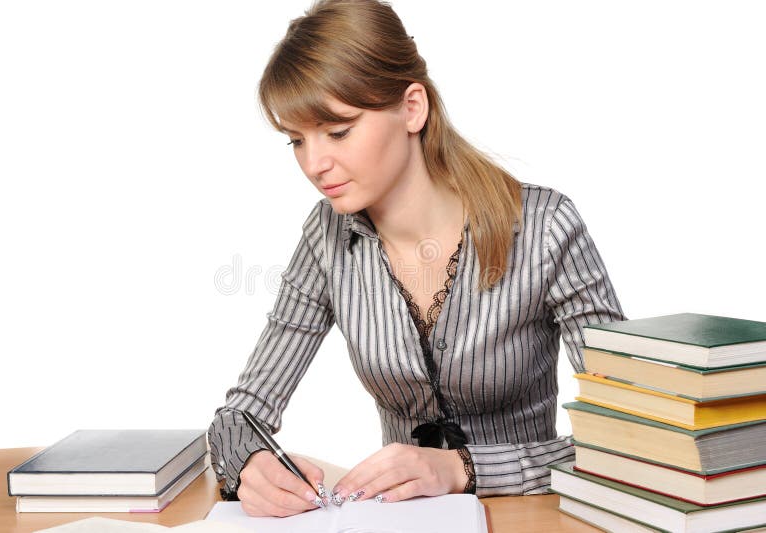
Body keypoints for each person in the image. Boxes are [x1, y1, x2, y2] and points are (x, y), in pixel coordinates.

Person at [208, 0, 625, 518]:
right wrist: (246, 462)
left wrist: (464, 470)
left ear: (412, 107)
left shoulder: (545, 227)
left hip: (537, 520)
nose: (314, 164)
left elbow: (631, 443)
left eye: (338, 131)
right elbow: (241, 413)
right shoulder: (326, 236)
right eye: (296, 140)